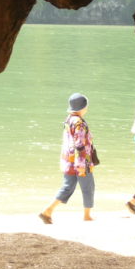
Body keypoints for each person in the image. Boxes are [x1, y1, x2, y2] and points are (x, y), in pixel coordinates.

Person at [39, 93, 97, 224]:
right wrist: (82, 165)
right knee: (88, 187)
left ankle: (47, 211)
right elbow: (80, 145)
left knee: (67, 187)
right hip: (81, 162)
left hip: (68, 160)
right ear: (82, 108)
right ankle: (87, 215)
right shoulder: (79, 123)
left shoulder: (69, 119)